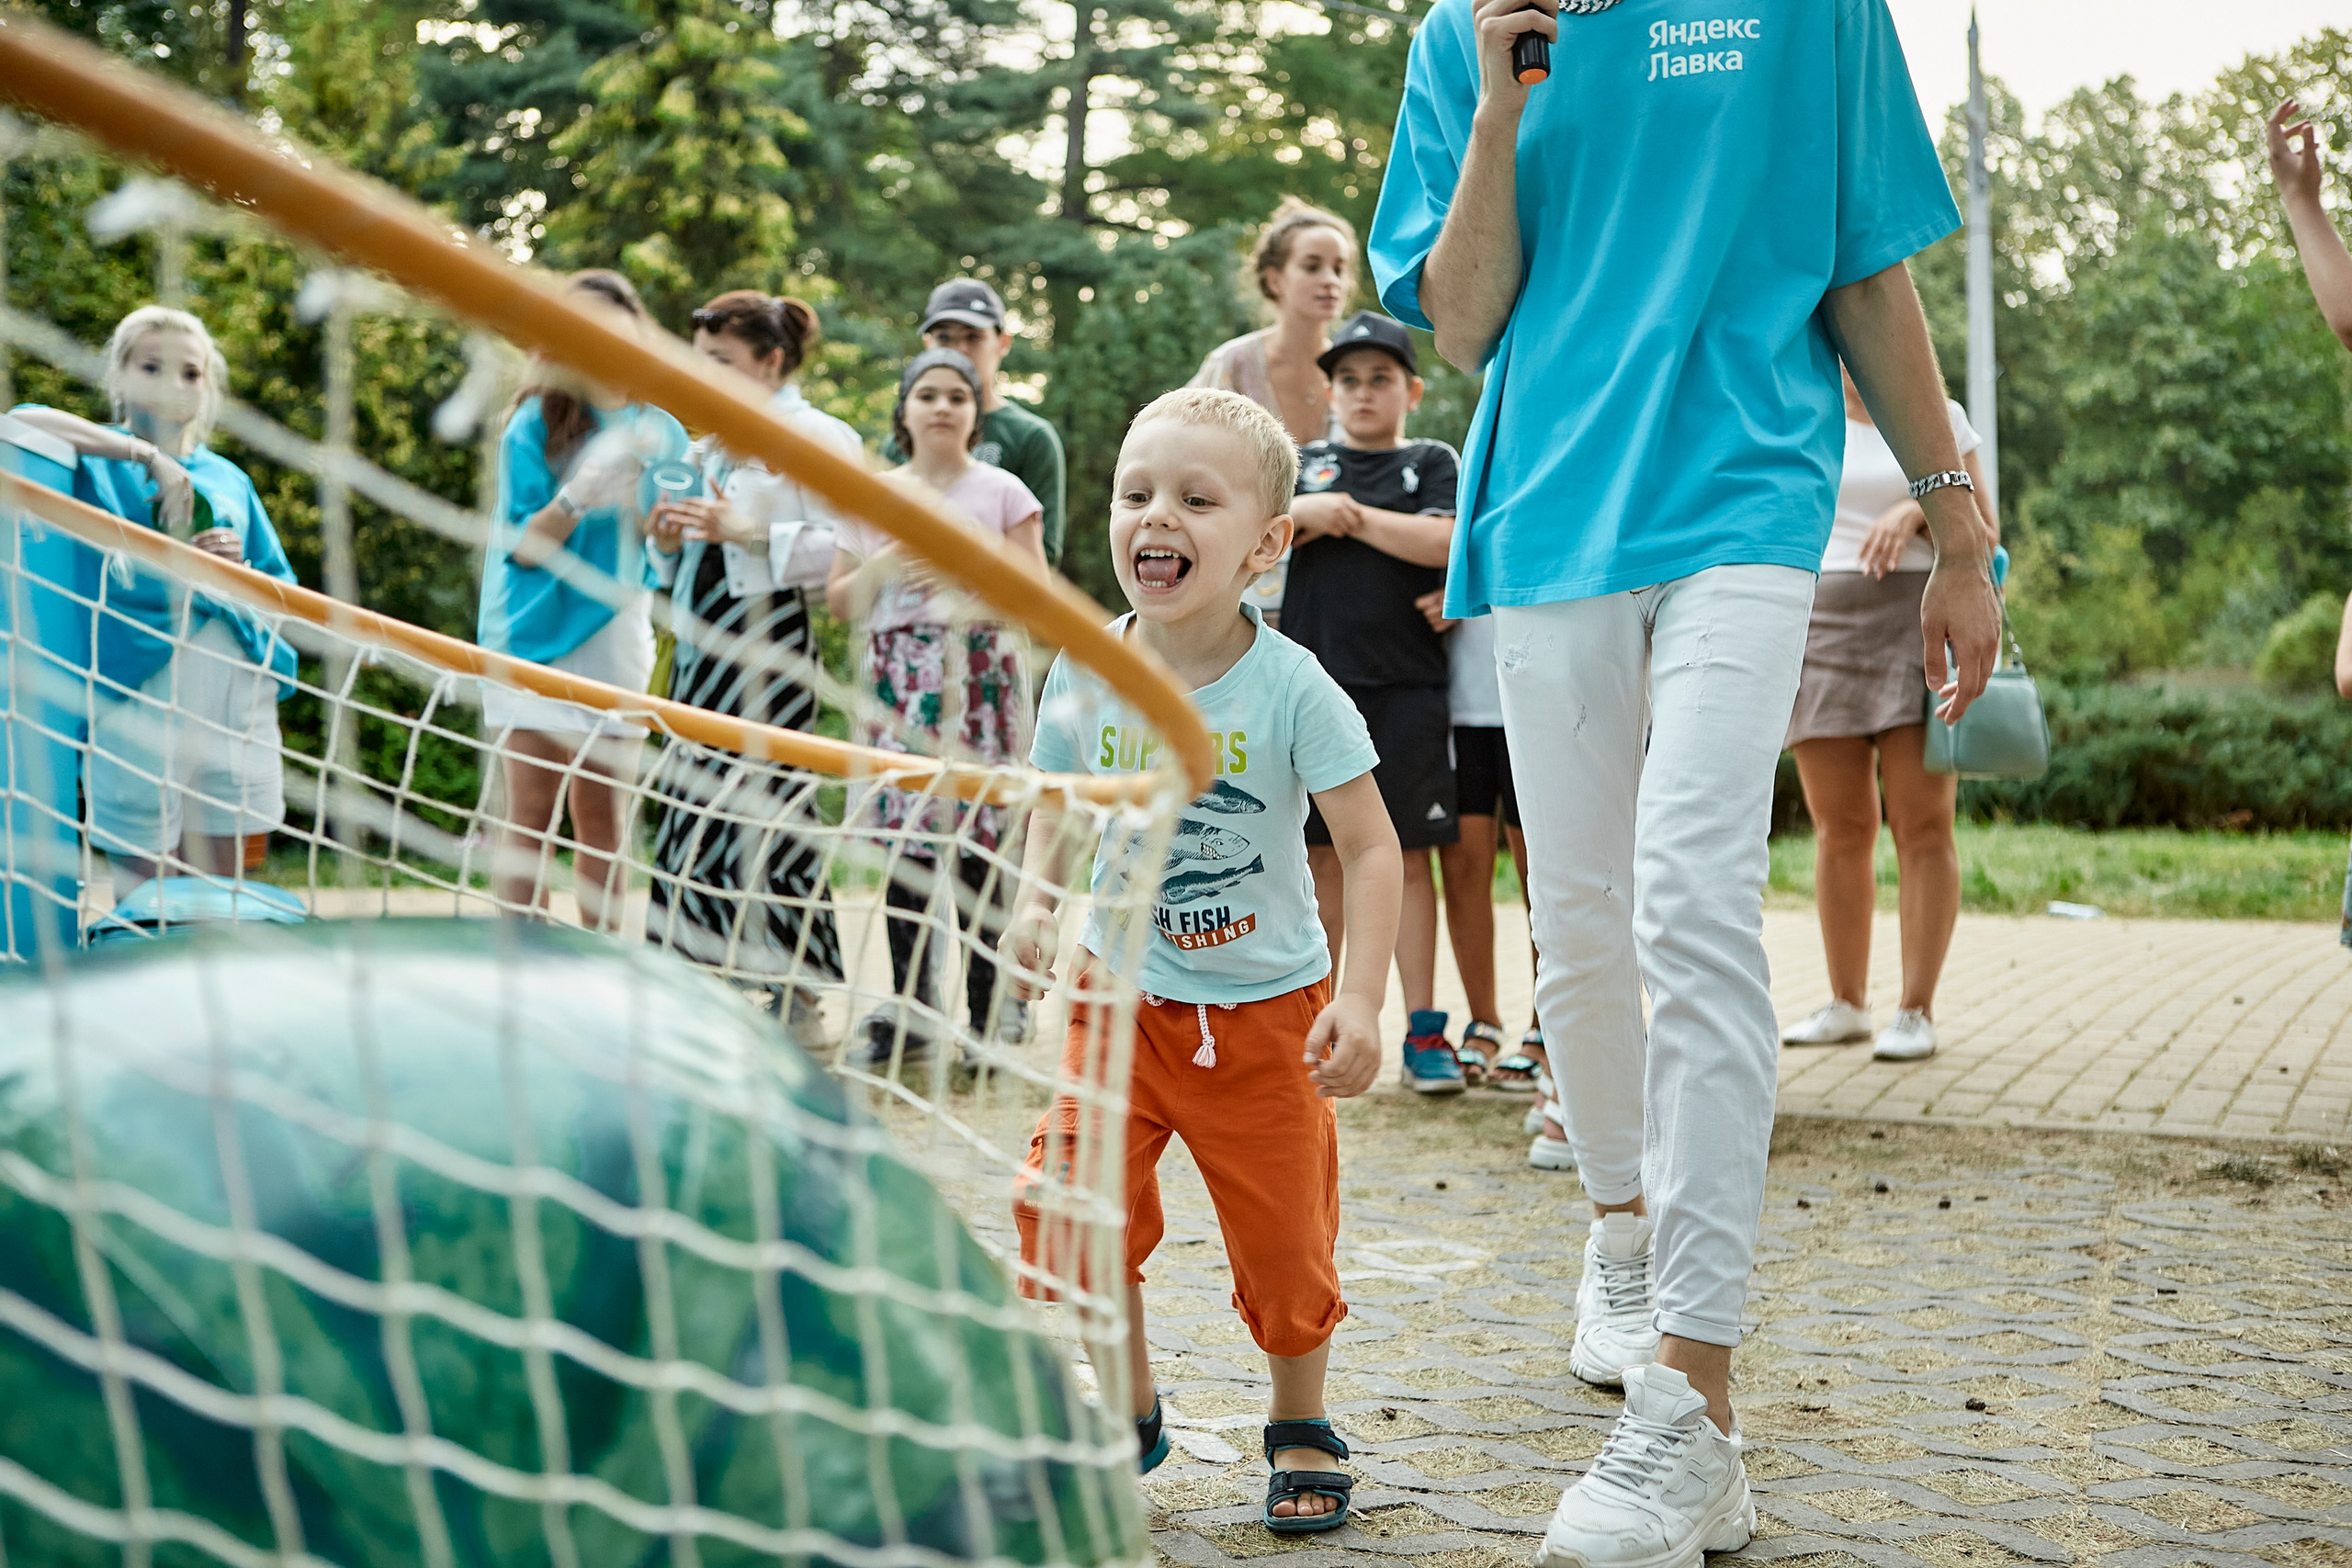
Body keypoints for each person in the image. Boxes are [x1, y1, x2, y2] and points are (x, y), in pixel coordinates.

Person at [1370, 2, 2003, 1563]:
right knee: (1577, 925)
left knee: (1692, 893)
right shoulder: (1464, 27)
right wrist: (1509, 103)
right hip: (1549, 508)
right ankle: (1624, 1234)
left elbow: (1865, 265)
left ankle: (1691, 1410)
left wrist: (1960, 525)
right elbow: (1458, 322)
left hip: (1742, 488)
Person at [1001, 386, 1398, 1536]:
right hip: (1114, 999)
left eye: (1194, 498)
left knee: (1282, 1245)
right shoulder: (1084, 666)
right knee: (1065, 1207)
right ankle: (1124, 1413)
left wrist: (1363, 1001)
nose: (1154, 517)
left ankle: (1299, 1424)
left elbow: (1371, 851)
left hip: (1268, 1015)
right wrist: (1036, 899)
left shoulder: (1290, 687)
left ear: (1265, 545)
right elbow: (1057, 804)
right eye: (1135, 494)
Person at [16, 305, 298, 900]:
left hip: (236, 692)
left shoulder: (230, 478)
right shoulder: (94, 459)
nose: (174, 384)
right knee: (148, 893)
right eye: (152, 366)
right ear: (118, 378)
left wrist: (238, 570)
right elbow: (20, 419)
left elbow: (282, 590)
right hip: (138, 690)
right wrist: (149, 457)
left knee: (226, 892)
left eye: (191, 373)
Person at [642, 289, 851, 1041]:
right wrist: (664, 541)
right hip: (697, 651)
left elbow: (851, 547)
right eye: (700, 362)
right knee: (688, 808)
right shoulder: (697, 450)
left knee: (773, 812)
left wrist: (753, 530)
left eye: (723, 362)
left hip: (771, 649)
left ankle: (799, 998)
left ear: (771, 360)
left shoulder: (820, 436)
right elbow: (663, 565)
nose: (707, 377)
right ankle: (689, 988)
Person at [828, 348, 1046, 1062]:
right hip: (899, 683)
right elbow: (839, 603)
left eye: (959, 394)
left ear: (977, 411)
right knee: (907, 853)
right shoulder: (869, 491)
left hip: (981, 675)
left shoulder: (1006, 492)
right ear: (906, 411)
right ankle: (914, 1014)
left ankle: (989, 1024)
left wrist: (972, 555)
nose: (944, 405)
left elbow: (1037, 598)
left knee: (981, 853)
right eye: (928, 394)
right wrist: (892, 556)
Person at [1781, 368, 1997, 1063]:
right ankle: (1847, 1003)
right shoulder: (1794, 408)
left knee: (1923, 823)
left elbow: (1985, 534)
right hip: (1822, 626)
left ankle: (1916, 1009)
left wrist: (1917, 510)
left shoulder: (1938, 415)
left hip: (1917, 622)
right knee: (1839, 827)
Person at [1280, 310, 1464, 1094]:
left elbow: (1449, 544)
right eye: (1348, 379)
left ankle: (1424, 1031)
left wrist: (1346, 519)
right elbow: (1256, 533)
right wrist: (1304, 514)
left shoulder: (1431, 460)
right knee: (1324, 863)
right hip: (1315, 696)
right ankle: (1325, 1024)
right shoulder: (1298, 464)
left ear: (1411, 390)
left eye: (1380, 377)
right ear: (1327, 391)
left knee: (1409, 861)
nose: (1363, 392)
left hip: (1408, 691)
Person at [479, 269, 688, 932]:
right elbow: (523, 548)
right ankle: (522, 961)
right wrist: (579, 495)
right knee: (530, 809)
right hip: (531, 629)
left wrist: (662, 525)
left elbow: (668, 547)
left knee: (601, 815)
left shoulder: (662, 428)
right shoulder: (532, 425)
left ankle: (599, 969)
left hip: (615, 627)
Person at [1419, 588, 1553, 1156]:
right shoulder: (1444, 497)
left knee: (1539, 879)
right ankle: (1484, 1023)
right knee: (1463, 869)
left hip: (1538, 698)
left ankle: (1546, 1030)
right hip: (1461, 706)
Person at [1191, 199, 1357, 624]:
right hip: (1237, 599)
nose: (1330, 281)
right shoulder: (1231, 366)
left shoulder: (1359, 371)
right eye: (1313, 266)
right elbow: (1189, 480)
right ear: (1274, 278)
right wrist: (1299, 513)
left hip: (1338, 602)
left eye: (1339, 268)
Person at [880, 278, 1069, 567]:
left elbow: (1044, 556)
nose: (959, 350)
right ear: (928, 344)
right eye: (945, 338)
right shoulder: (899, 442)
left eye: (973, 337)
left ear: (1003, 343)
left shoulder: (1032, 438)